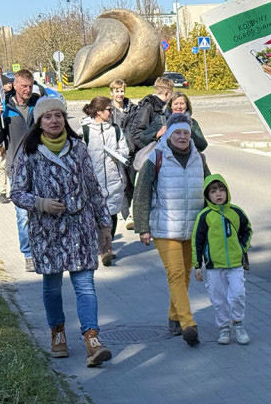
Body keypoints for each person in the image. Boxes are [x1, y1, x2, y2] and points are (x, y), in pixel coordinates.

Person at [9, 97, 114, 368]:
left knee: (85, 285)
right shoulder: (29, 151)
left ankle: (92, 338)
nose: (54, 121)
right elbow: (17, 193)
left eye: (58, 116)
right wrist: (41, 203)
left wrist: (105, 226)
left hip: (80, 228)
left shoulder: (78, 148)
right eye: (48, 117)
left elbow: (93, 189)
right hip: (47, 232)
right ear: (39, 122)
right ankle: (57, 333)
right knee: (52, 287)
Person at [133, 113, 210, 346]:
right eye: (177, 132)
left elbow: (210, 189)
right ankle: (188, 324)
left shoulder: (200, 159)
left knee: (185, 274)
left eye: (186, 133)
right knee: (175, 274)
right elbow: (142, 192)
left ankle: (174, 318)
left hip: (192, 227)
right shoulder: (156, 157)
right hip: (164, 227)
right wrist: (142, 227)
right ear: (168, 134)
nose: (182, 137)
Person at [192, 174, 252, 345]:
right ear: (207, 195)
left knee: (237, 294)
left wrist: (242, 248)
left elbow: (247, 230)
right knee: (218, 298)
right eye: (213, 191)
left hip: (235, 264)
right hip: (214, 266)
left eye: (221, 190)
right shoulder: (205, 216)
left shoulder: (236, 212)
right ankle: (224, 328)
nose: (218, 194)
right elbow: (197, 240)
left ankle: (238, 323)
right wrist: (197, 265)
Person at [0, 69, 42, 272]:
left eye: (30, 86)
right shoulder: (5, 108)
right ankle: (28, 254)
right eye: (24, 86)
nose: (27, 90)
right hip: (17, 167)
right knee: (22, 215)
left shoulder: (38, 105)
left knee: (39, 211)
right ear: (15, 86)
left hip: (40, 166)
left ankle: (40, 249)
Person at [80, 96, 130, 266]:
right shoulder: (85, 130)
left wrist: (119, 155)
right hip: (94, 182)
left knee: (112, 214)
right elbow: (78, 155)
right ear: (98, 112)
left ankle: (107, 248)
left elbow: (125, 149)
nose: (111, 112)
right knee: (96, 216)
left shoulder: (115, 130)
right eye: (108, 109)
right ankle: (100, 247)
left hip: (114, 179)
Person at [123, 76, 175, 230]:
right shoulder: (148, 107)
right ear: (166, 94)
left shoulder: (161, 107)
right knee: (144, 186)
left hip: (158, 153)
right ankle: (135, 216)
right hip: (146, 155)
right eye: (171, 94)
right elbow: (137, 134)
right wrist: (155, 137)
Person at [136, 91, 209, 152]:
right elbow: (143, 138)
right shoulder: (161, 120)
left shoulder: (192, 123)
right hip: (165, 163)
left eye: (182, 104)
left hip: (186, 163)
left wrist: (189, 131)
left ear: (187, 106)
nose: (179, 107)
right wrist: (157, 134)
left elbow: (203, 145)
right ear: (170, 106)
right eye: (176, 104)